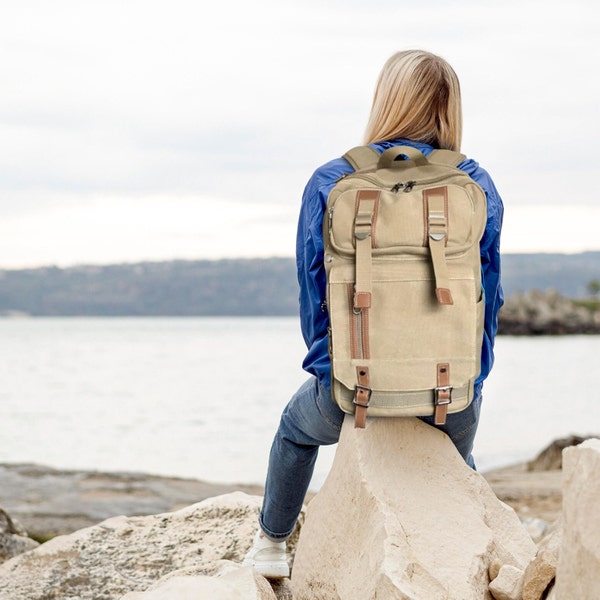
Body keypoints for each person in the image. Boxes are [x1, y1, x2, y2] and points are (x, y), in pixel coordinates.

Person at [242, 49, 504, 578]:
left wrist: (327, 368)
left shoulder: (332, 179)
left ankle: (272, 545)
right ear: (451, 108)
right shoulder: (475, 183)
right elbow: (488, 296)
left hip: (350, 386)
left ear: (386, 100)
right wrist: (474, 380)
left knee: (295, 431)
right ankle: (472, 551)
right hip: (448, 388)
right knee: (454, 461)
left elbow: (313, 285)